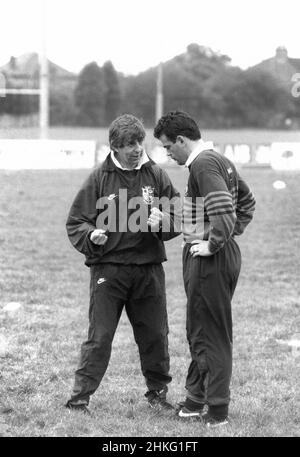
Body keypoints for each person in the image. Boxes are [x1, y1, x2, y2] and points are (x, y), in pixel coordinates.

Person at [65, 114, 181, 414]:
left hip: (148, 270)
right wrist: (92, 235)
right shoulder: (99, 178)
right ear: (114, 147)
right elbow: (76, 221)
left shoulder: (155, 175)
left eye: (139, 142)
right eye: (129, 144)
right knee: (100, 336)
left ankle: (157, 392)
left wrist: (164, 221)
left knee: (155, 334)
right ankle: (79, 398)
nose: (136, 149)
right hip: (109, 271)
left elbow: (180, 215)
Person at [154, 111, 256, 427]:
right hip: (218, 256)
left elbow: (225, 210)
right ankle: (196, 400)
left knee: (211, 334)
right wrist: (220, 235)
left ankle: (217, 410)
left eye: (169, 146)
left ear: (182, 140)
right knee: (200, 329)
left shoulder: (203, 164)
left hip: (210, 260)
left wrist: (213, 242)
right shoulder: (219, 159)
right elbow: (248, 202)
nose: (168, 154)